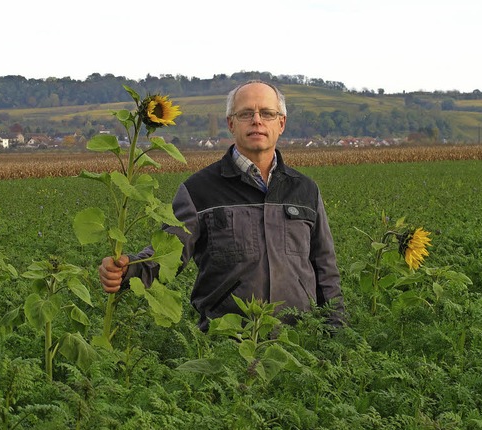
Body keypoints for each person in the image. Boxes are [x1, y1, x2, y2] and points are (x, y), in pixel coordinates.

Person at [99, 80, 344, 331]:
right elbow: (169, 252)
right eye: (246, 113)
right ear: (231, 123)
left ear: (281, 123)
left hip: (300, 341)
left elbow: (325, 268)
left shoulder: (305, 190)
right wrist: (127, 270)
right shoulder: (199, 190)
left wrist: (336, 332)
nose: (257, 121)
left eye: (267, 114)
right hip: (226, 343)